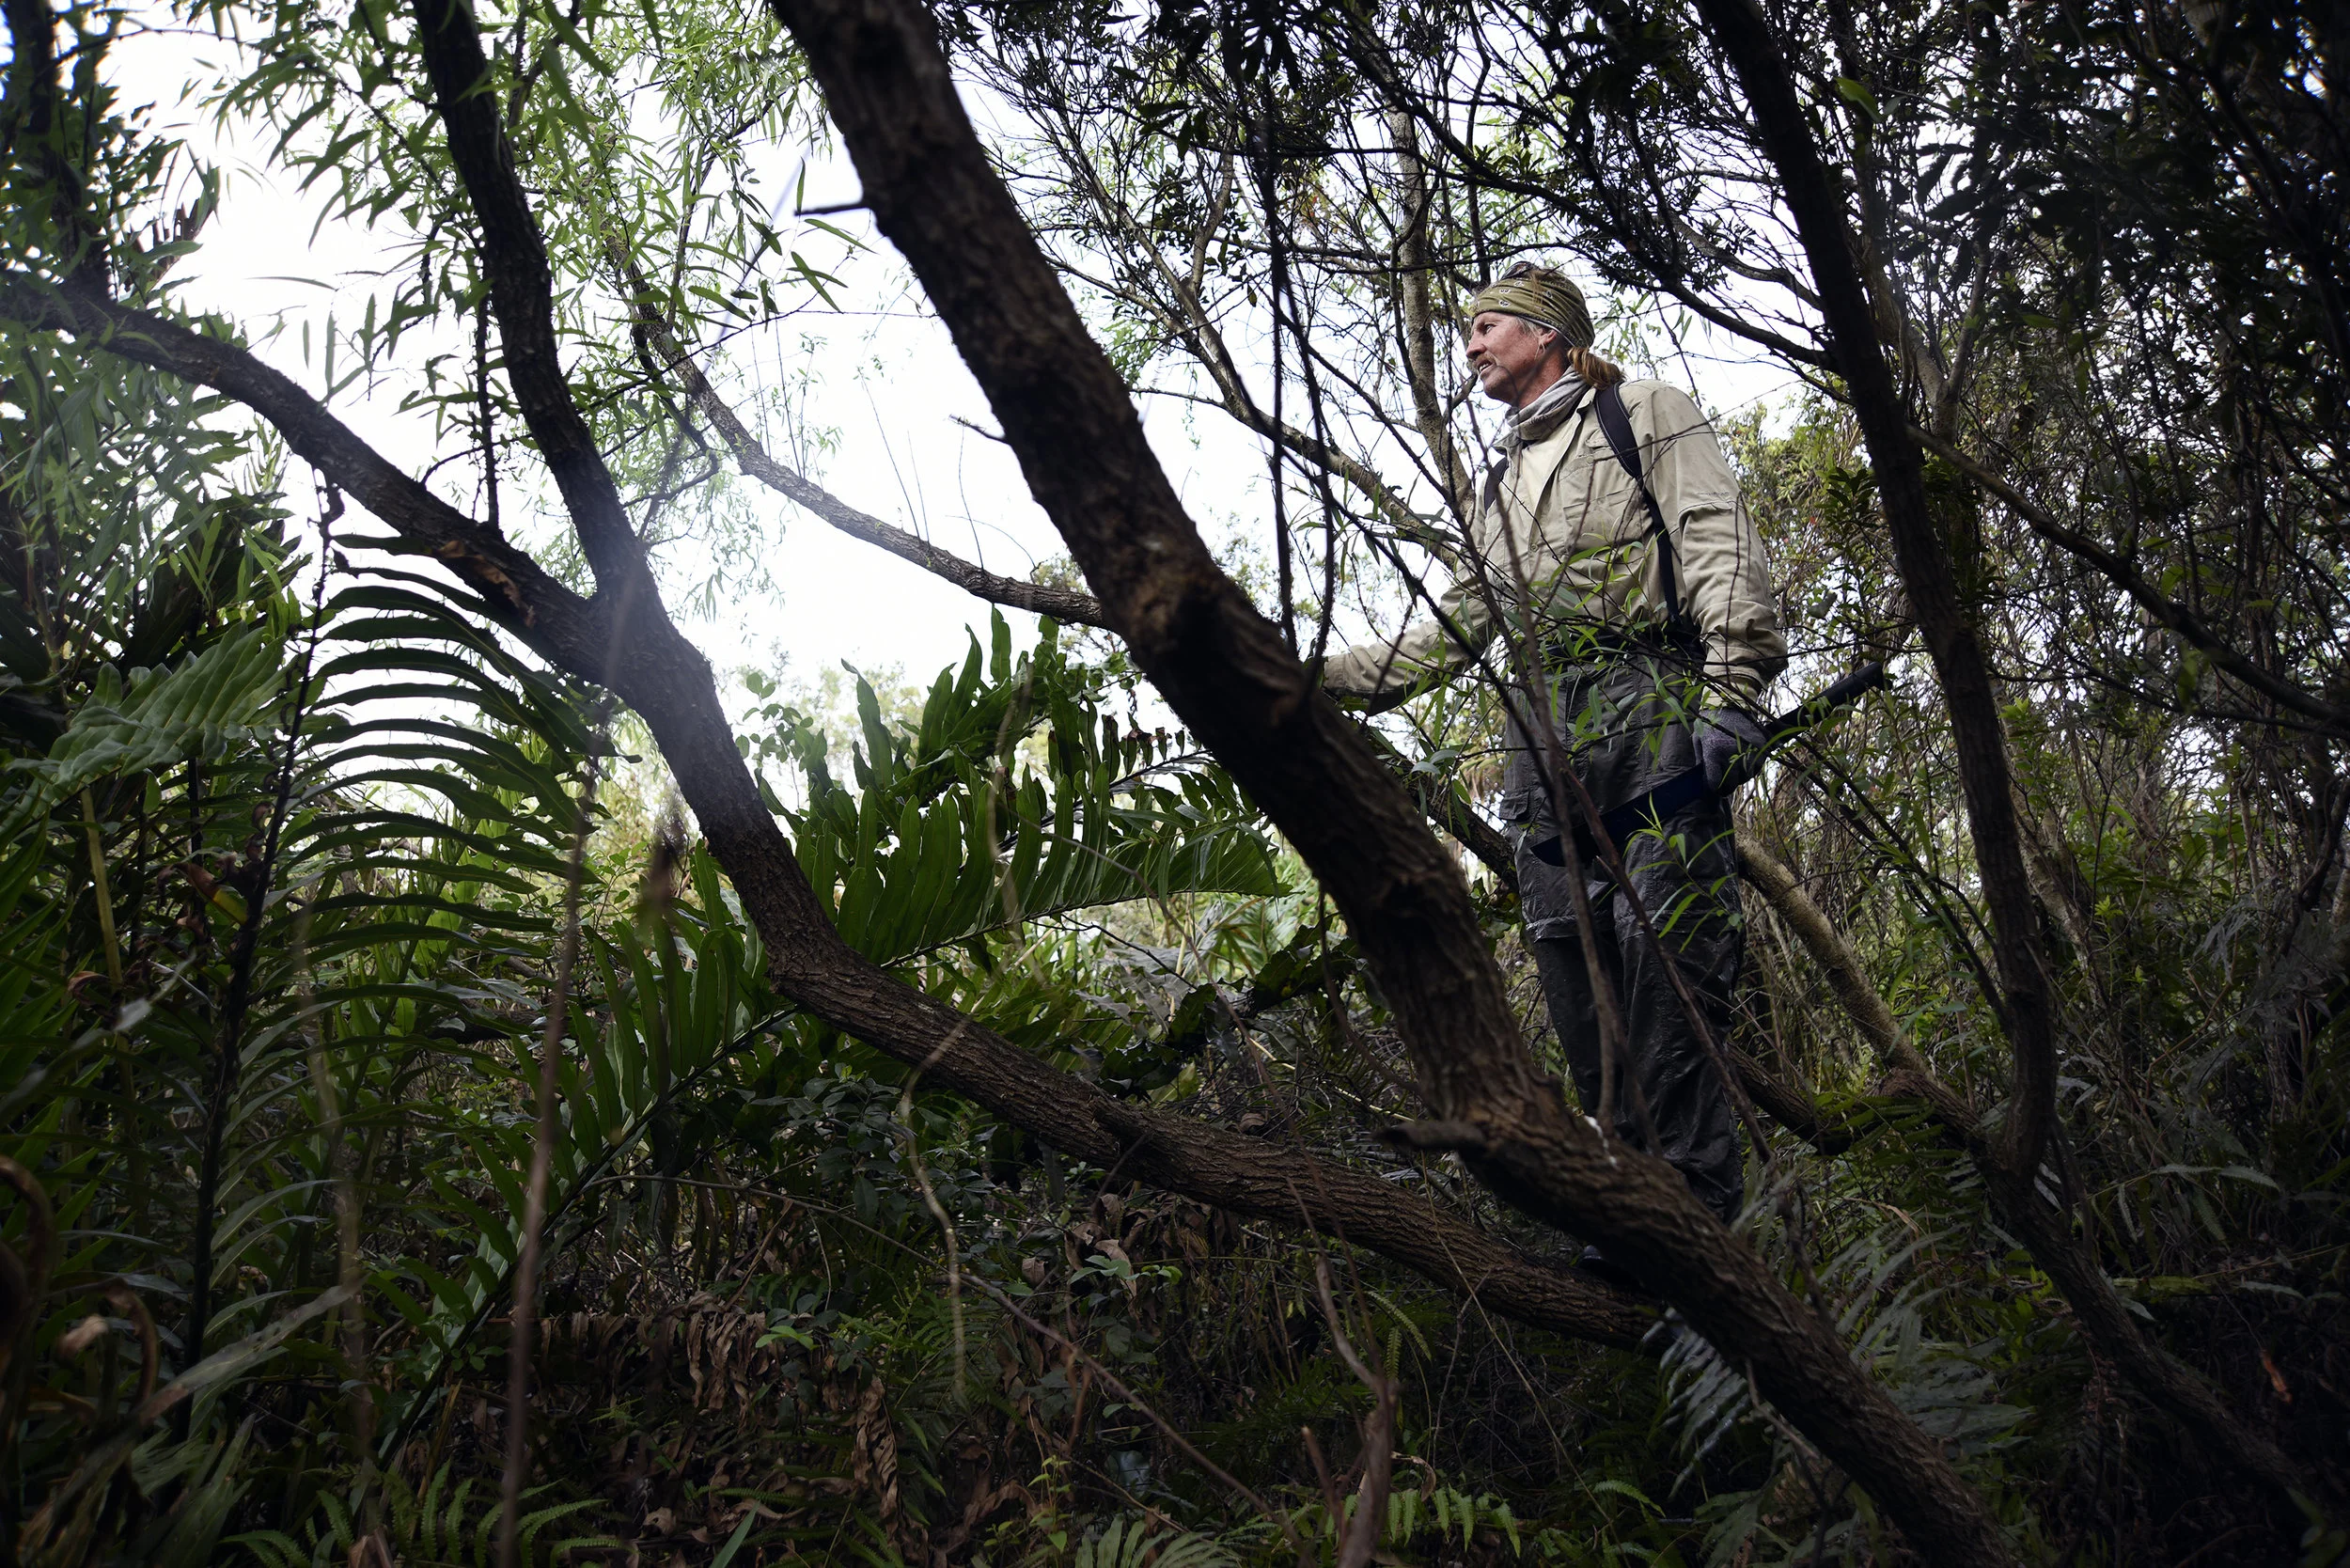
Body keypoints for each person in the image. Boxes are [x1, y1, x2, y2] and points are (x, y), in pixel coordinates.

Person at [1323, 262, 1785, 1244]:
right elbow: (1453, 628)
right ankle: (1622, 1220)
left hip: (1650, 705)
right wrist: (1307, 676)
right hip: (1540, 738)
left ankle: (1700, 1225)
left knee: (1673, 971)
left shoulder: (1643, 411)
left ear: (1548, 333)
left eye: (1488, 326)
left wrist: (1734, 685)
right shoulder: (1499, 481)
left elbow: (1715, 539)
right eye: (1468, 332)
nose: (1472, 345)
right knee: (1575, 979)